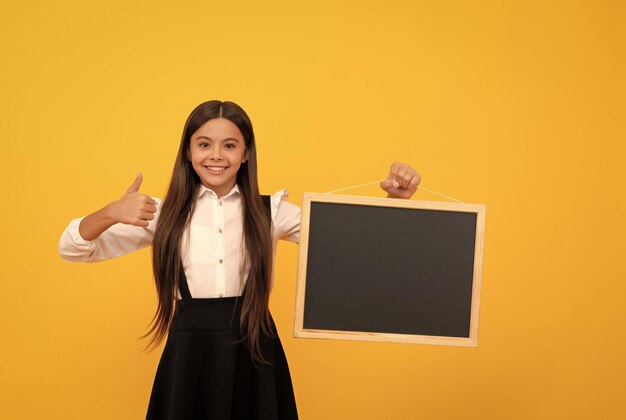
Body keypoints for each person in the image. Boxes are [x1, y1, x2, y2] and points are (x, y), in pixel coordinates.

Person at [58, 100, 421, 419]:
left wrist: (396, 201)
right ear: (188, 151)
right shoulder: (162, 214)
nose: (216, 155)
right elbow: (73, 248)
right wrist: (110, 212)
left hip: (255, 351)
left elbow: (357, 248)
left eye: (229, 145)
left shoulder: (272, 211)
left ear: (245, 153)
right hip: (190, 356)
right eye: (204, 144)